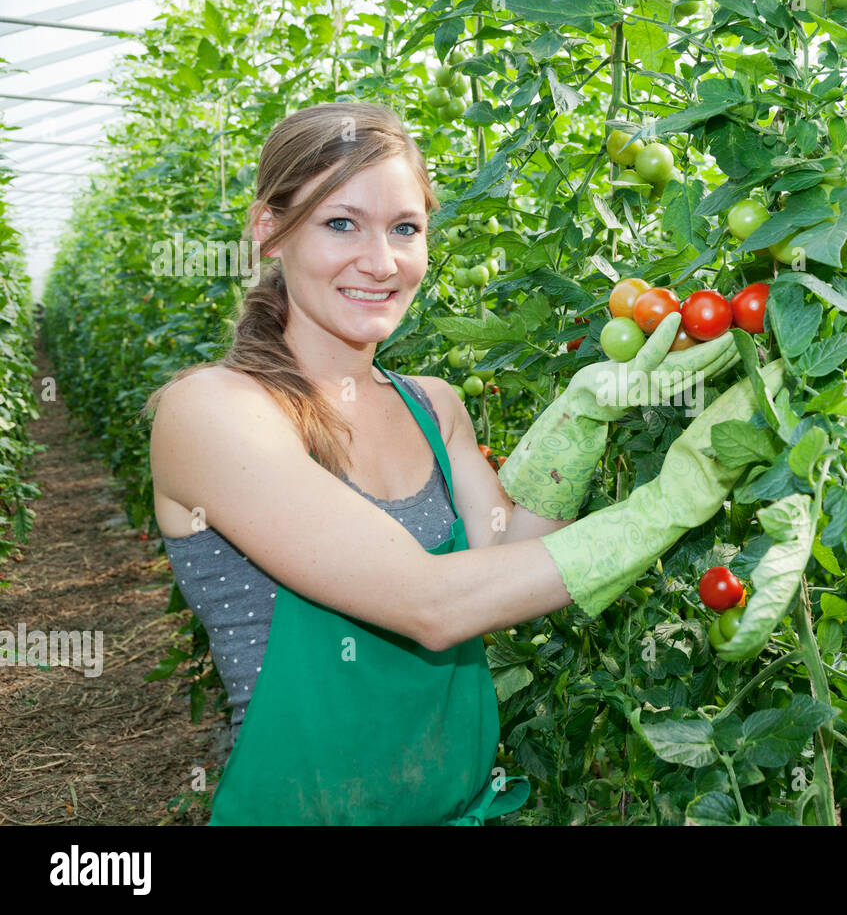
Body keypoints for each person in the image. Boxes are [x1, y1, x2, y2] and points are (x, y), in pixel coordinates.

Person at [145, 102, 785, 825]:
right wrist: (673, 499)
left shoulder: (434, 405)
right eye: (341, 223)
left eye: (405, 229)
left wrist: (580, 417)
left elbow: (512, 563)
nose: (381, 262)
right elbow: (434, 604)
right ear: (269, 232)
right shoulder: (213, 412)